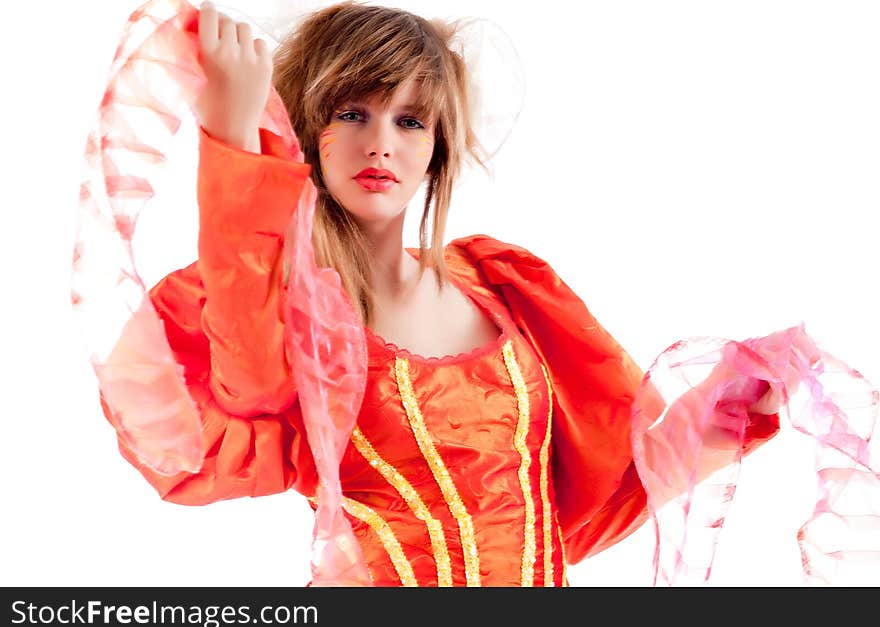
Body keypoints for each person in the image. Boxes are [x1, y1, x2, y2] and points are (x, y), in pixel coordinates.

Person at [95, 0, 787, 587]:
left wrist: (725, 409)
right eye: (351, 112)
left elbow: (589, 499)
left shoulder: (507, 285)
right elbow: (241, 392)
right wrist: (234, 137)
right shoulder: (287, 305)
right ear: (309, 128)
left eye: (409, 120)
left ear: (438, 147)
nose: (379, 144)